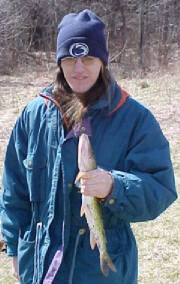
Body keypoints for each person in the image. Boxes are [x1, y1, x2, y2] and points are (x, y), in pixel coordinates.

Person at [0, 9, 177, 284]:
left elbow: (161, 189)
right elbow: (14, 189)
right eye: (70, 59)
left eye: (88, 58)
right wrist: (14, 249)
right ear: (59, 62)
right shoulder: (34, 115)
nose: (78, 68)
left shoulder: (134, 119)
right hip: (40, 267)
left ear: (103, 62)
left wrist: (113, 186)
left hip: (101, 273)